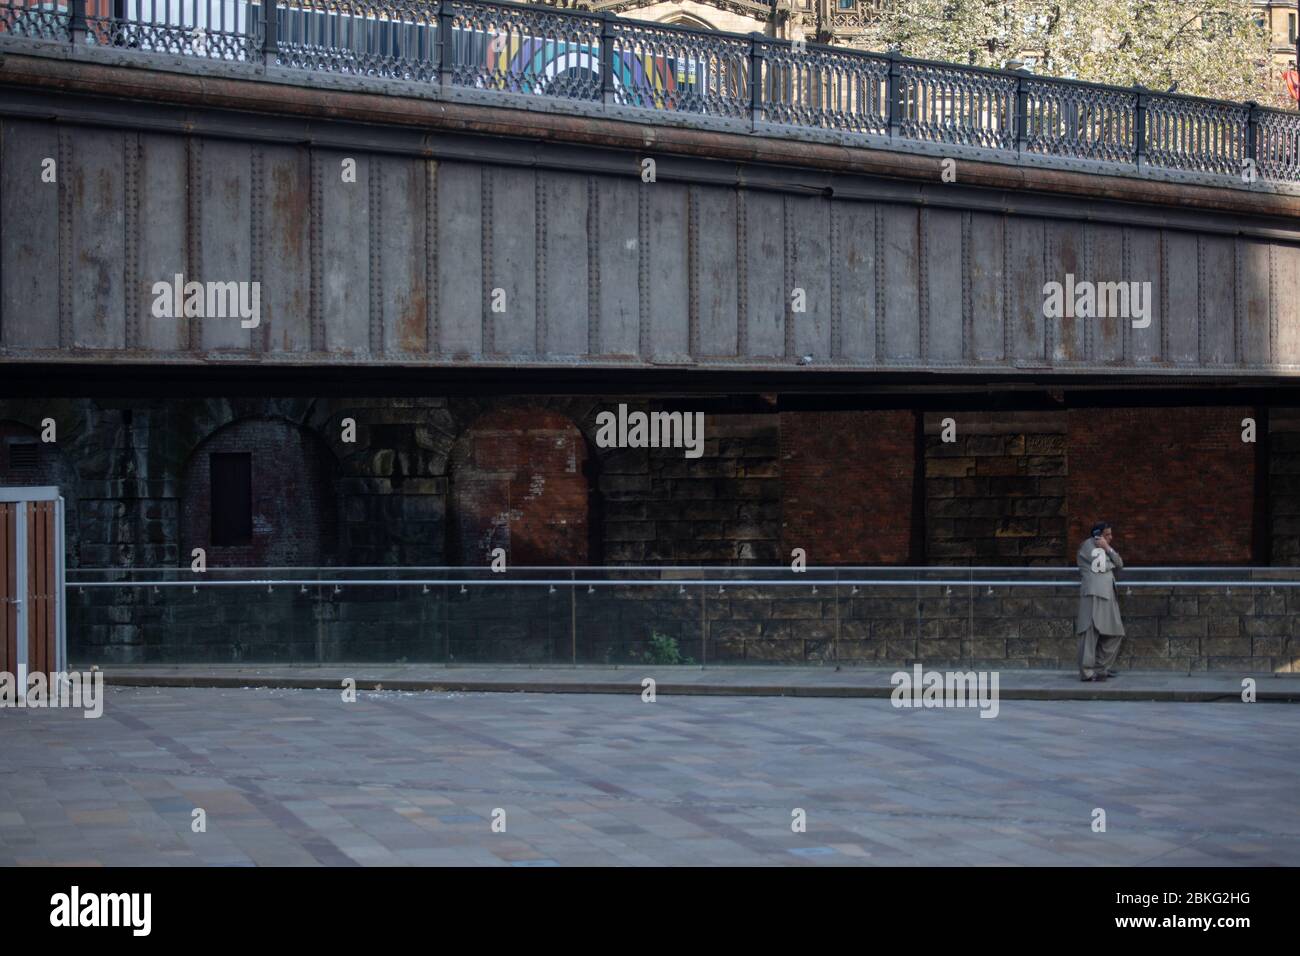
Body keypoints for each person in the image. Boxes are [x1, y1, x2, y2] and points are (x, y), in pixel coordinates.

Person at [1076, 522, 1125, 682]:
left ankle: (1101, 668)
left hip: (1108, 595)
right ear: (1097, 535)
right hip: (1094, 594)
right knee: (1090, 632)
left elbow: (1118, 563)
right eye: (1107, 535)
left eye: (1111, 534)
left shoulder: (1104, 548)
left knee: (1116, 633)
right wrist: (1109, 554)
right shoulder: (1088, 546)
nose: (1110, 538)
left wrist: (1109, 550)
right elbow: (1103, 565)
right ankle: (1087, 672)